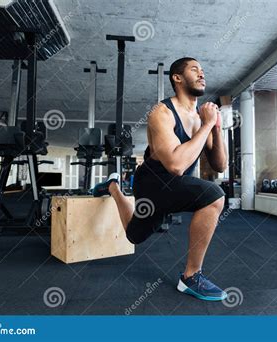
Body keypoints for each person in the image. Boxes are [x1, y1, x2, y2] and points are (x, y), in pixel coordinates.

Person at [92, 57, 228, 301]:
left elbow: (220, 165)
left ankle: (113, 186)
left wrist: (216, 128)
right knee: (135, 236)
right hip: (153, 183)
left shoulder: (200, 119)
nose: (201, 74)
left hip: (176, 185)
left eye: (203, 71)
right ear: (177, 78)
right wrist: (207, 125)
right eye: (194, 70)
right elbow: (176, 165)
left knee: (213, 195)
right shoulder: (161, 112)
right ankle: (190, 278)